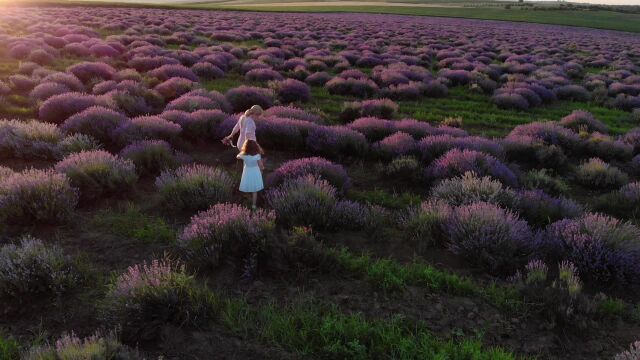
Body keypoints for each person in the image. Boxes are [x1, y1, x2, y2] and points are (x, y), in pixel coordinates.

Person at [236, 139, 265, 209]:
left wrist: (241, 152)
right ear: (255, 146)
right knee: (255, 190)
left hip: (247, 171)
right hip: (255, 171)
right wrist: (262, 169)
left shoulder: (244, 155)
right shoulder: (257, 155)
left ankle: (246, 200)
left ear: (246, 147)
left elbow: (237, 156)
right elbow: (261, 166)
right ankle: (253, 205)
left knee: (247, 184)